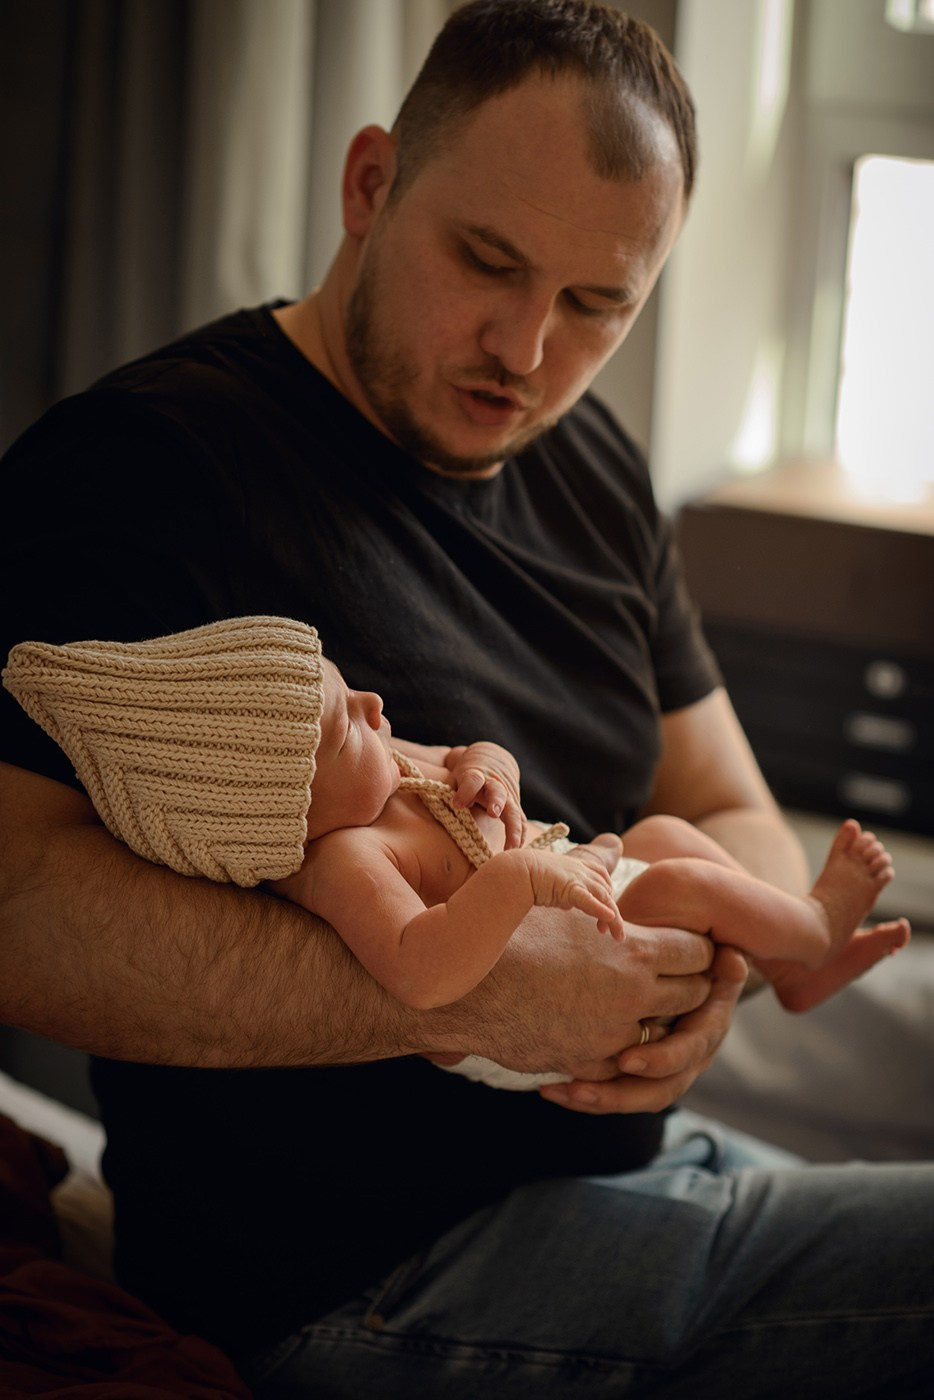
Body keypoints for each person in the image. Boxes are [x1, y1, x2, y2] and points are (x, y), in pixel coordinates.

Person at [0, 1, 930, 1394]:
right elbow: (16, 911)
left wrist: (702, 988)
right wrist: (458, 1001)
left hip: (639, 1178)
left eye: (596, 304)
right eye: (486, 261)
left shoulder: (592, 470)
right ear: (369, 183)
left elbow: (724, 803)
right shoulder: (142, 468)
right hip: (364, 1286)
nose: (525, 346)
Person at [3, 615, 909, 1049]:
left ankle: (794, 965)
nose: (369, 702)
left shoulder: (381, 767)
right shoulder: (346, 861)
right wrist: (519, 884)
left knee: (669, 829)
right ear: (285, 812)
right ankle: (814, 924)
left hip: (577, 895)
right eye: (341, 725)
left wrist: (491, 768)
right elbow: (422, 971)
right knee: (677, 888)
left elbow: (471, 753)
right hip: (526, 1018)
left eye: (340, 682)